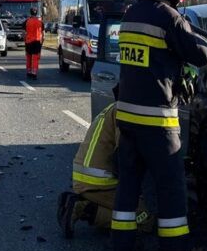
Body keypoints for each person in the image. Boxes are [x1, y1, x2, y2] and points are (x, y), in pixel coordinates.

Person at [110, 0, 207, 251]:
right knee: (171, 183)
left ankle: (121, 245)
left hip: (127, 117)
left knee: (129, 183)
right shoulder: (169, 18)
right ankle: (176, 248)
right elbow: (199, 54)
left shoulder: (131, 13)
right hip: (157, 120)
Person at [57, 100, 151, 237]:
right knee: (144, 218)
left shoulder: (114, 107)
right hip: (99, 182)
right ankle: (85, 210)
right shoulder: (126, 113)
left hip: (86, 177)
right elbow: (124, 157)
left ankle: (87, 203)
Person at [24, 7, 43, 79]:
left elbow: (23, 33)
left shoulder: (27, 21)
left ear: (30, 13)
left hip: (28, 41)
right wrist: (41, 42)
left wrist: (25, 40)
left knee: (28, 56)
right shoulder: (40, 22)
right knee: (35, 57)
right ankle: (34, 72)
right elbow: (43, 33)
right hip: (37, 41)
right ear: (36, 13)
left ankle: (28, 71)